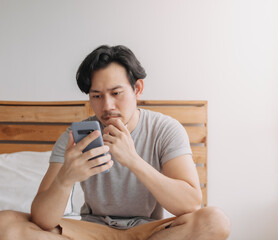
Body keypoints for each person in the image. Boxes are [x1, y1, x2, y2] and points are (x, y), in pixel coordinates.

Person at [0, 45, 230, 240]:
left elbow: (190, 204)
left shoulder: (165, 130)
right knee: (6, 223)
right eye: (96, 96)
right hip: (91, 231)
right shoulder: (72, 138)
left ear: (137, 88)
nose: (107, 105)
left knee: (215, 220)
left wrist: (133, 160)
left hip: (147, 232)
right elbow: (42, 221)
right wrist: (65, 179)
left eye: (116, 93)